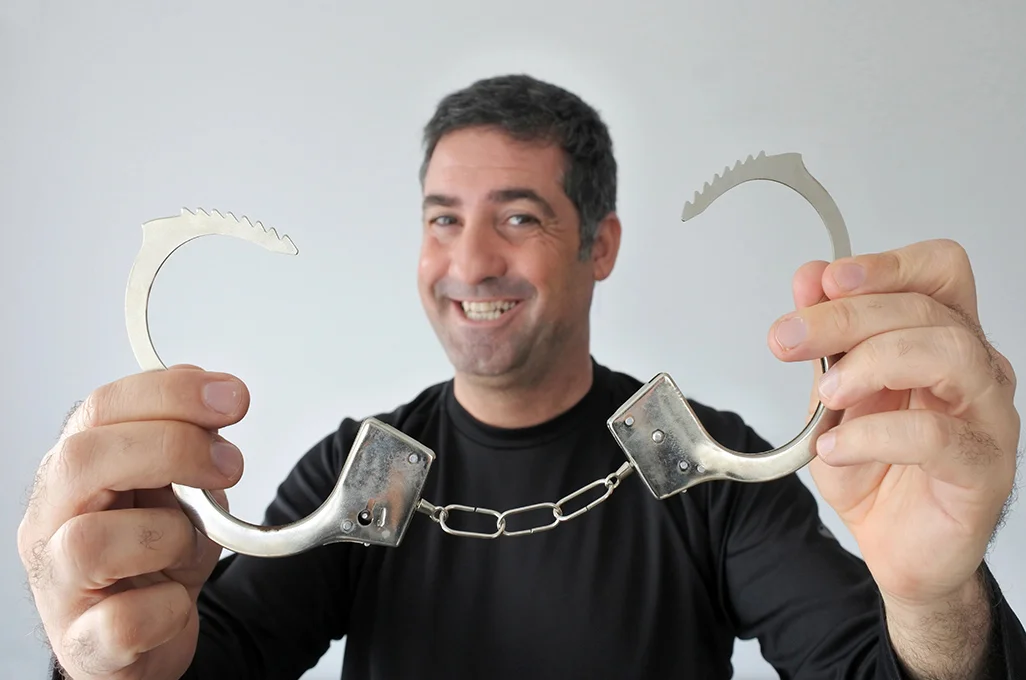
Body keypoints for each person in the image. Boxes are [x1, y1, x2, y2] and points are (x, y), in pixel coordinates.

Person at [18, 73, 1026, 680]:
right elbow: (207, 662)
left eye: (519, 215)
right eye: (443, 218)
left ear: (600, 245)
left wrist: (937, 600)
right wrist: (113, 649)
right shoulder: (366, 471)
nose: (470, 262)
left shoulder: (704, 465)